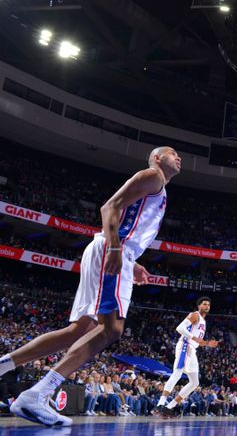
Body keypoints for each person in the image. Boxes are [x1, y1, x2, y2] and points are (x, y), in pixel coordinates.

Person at [1, 147, 181, 426]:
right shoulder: (152, 176)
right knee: (112, 328)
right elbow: (110, 207)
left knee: (79, 330)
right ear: (157, 158)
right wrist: (116, 249)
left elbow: (128, 223)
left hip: (113, 251)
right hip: (111, 249)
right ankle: (38, 394)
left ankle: (4, 365)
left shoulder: (159, 188)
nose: (178, 157)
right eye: (172, 153)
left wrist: (131, 262)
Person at [156, 298, 220, 417]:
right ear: (199, 305)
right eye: (204, 304)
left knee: (195, 382)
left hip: (192, 350)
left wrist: (207, 343)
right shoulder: (195, 315)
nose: (207, 306)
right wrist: (195, 339)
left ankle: (170, 407)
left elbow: (199, 341)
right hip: (185, 346)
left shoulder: (203, 321)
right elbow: (180, 328)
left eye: (209, 305)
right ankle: (161, 403)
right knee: (177, 373)